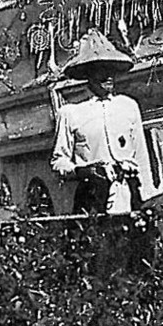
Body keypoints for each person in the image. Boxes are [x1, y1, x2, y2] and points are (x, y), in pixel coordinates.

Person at [51, 29, 145, 214]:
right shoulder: (71, 113)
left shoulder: (128, 106)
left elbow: (141, 156)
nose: (108, 76)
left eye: (111, 69)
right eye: (101, 69)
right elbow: (58, 162)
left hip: (127, 192)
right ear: (89, 74)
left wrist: (144, 197)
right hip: (92, 195)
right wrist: (82, 171)